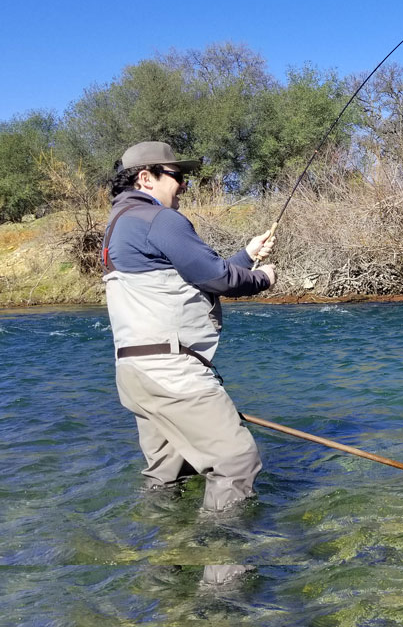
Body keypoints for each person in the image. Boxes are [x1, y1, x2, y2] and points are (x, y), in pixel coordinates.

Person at [102, 141, 277, 514]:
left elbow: (188, 280)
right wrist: (262, 277)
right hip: (172, 372)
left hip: (135, 374)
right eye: (178, 176)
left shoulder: (119, 225)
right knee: (236, 462)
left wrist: (246, 256)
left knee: (167, 474)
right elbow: (218, 278)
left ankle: (163, 564)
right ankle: (221, 560)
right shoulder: (160, 220)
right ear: (146, 178)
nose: (184, 185)